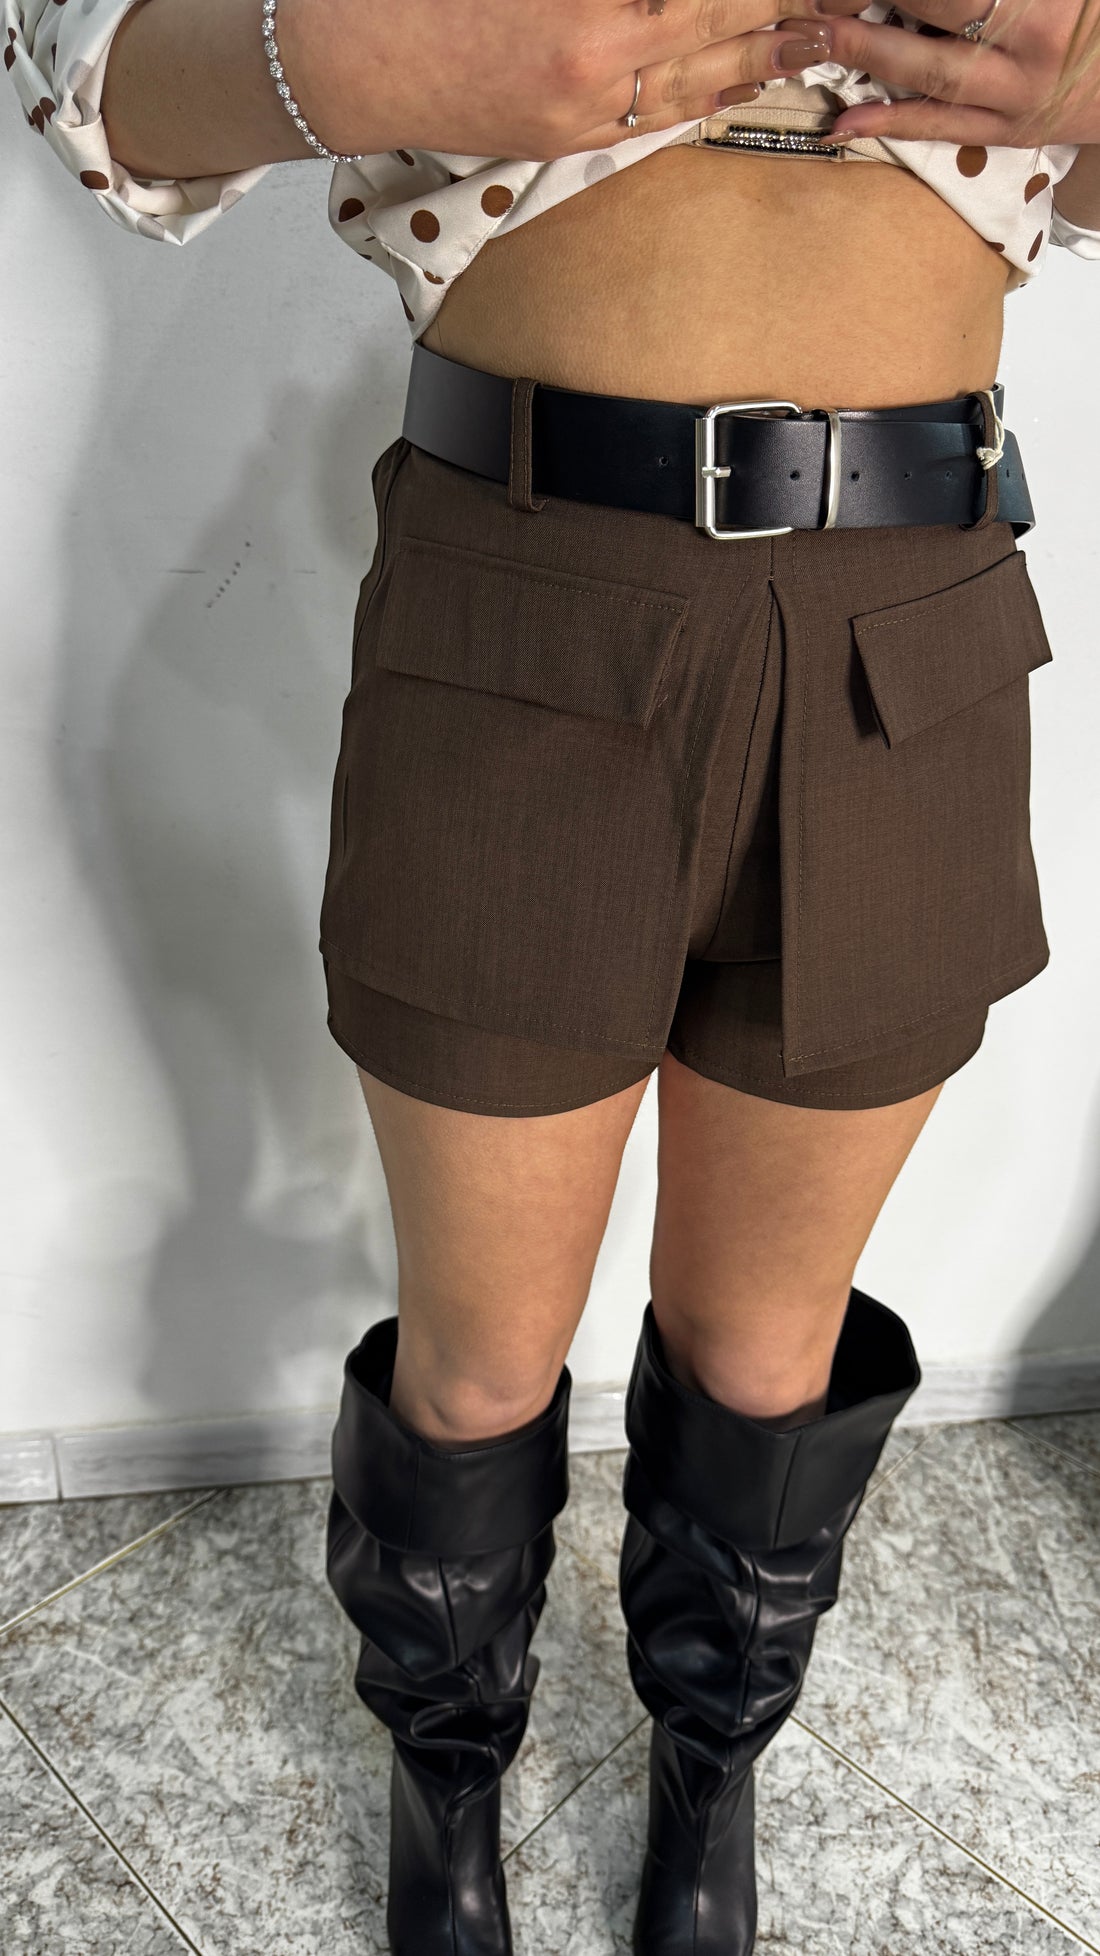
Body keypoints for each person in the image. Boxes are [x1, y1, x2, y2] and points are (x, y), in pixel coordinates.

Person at [7, 2, 1100, 1951]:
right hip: (525, 601)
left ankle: (712, 1765)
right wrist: (385, 61)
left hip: (909, 622)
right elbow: (78, 66)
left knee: (767, 1356)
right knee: (483, 1357)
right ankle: (449, 1785)